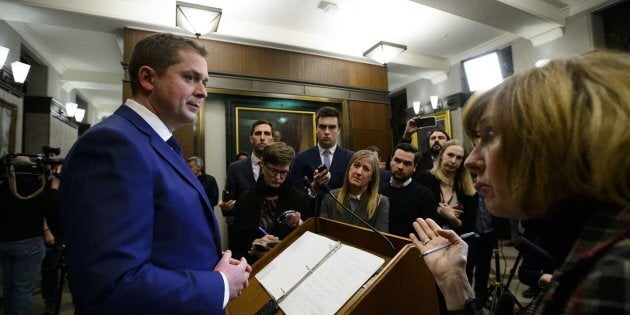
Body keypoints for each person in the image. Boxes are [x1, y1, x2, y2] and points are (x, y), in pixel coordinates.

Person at [410, 51, 630, 314]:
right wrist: (455, 283)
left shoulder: (614, 277)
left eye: (489, 135)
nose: (471, 161)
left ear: (557, 142)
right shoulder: (586, 246)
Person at [60, 33, 250, 314]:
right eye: (190, 78)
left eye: (204, 81)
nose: (203, 91)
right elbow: (112, 285)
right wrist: (218, 284)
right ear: (148, 78)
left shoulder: (158, 143)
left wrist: (213, 265)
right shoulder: (113, 144)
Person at [231, 142, 310, 262]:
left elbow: (308, 243)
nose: (278, 178)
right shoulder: (245, 200)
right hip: (254, 264)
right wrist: (254, 243)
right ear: (262, 164)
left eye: (283, 172)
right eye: (273, 170)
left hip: (289, 264)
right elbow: (236, 242)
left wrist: (300, 228)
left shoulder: (300, 199)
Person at [0, 155, 54, 315]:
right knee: (23, 289)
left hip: (4, 241)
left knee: (9, 287)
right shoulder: (37, 184)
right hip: (29, 241)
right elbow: (49, 210)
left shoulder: (3, 183)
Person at [219, 120, 274, 247]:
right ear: (251, 139)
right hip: (244, 237)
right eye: (258, 133)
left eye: (266, 134)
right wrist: (226, 207)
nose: (262, 137)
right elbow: (229, 205)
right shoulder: (236, 168)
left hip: (273, 236)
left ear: (272, 139)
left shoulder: (280, 167)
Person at [415, 139, 478, 235]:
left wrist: (452, 218)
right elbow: (417, 214)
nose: (453, 161)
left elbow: (469, 225)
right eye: (450, 155)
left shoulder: (467, 187)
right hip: (429, 238)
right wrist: (440, 213)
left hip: (458, 240)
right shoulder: (424, 179)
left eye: (459, 158)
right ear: (441, 155)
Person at [319, 150, 389, 232]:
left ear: (372, 177)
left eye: (366, 169)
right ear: (349, 168)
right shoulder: (330, 197)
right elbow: (322, 234)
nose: (359, 172)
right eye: (356, 165)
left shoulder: (381, 203)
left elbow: (380, 240)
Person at [290, 106, 354, 194]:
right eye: (322, 127)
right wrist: (314, 186)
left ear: (339, 130)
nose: (327, 132)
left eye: (332, 127)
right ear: (316, 129)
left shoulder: (351, 158)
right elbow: (296, 193)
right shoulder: (301, 158)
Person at [380, 143, 437, 237]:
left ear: (415, 167)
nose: (400, 167)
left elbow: (428, 233)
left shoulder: (425, 196)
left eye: (407, 163)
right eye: (397, 161)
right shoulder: (379, 191)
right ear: (390, 161)